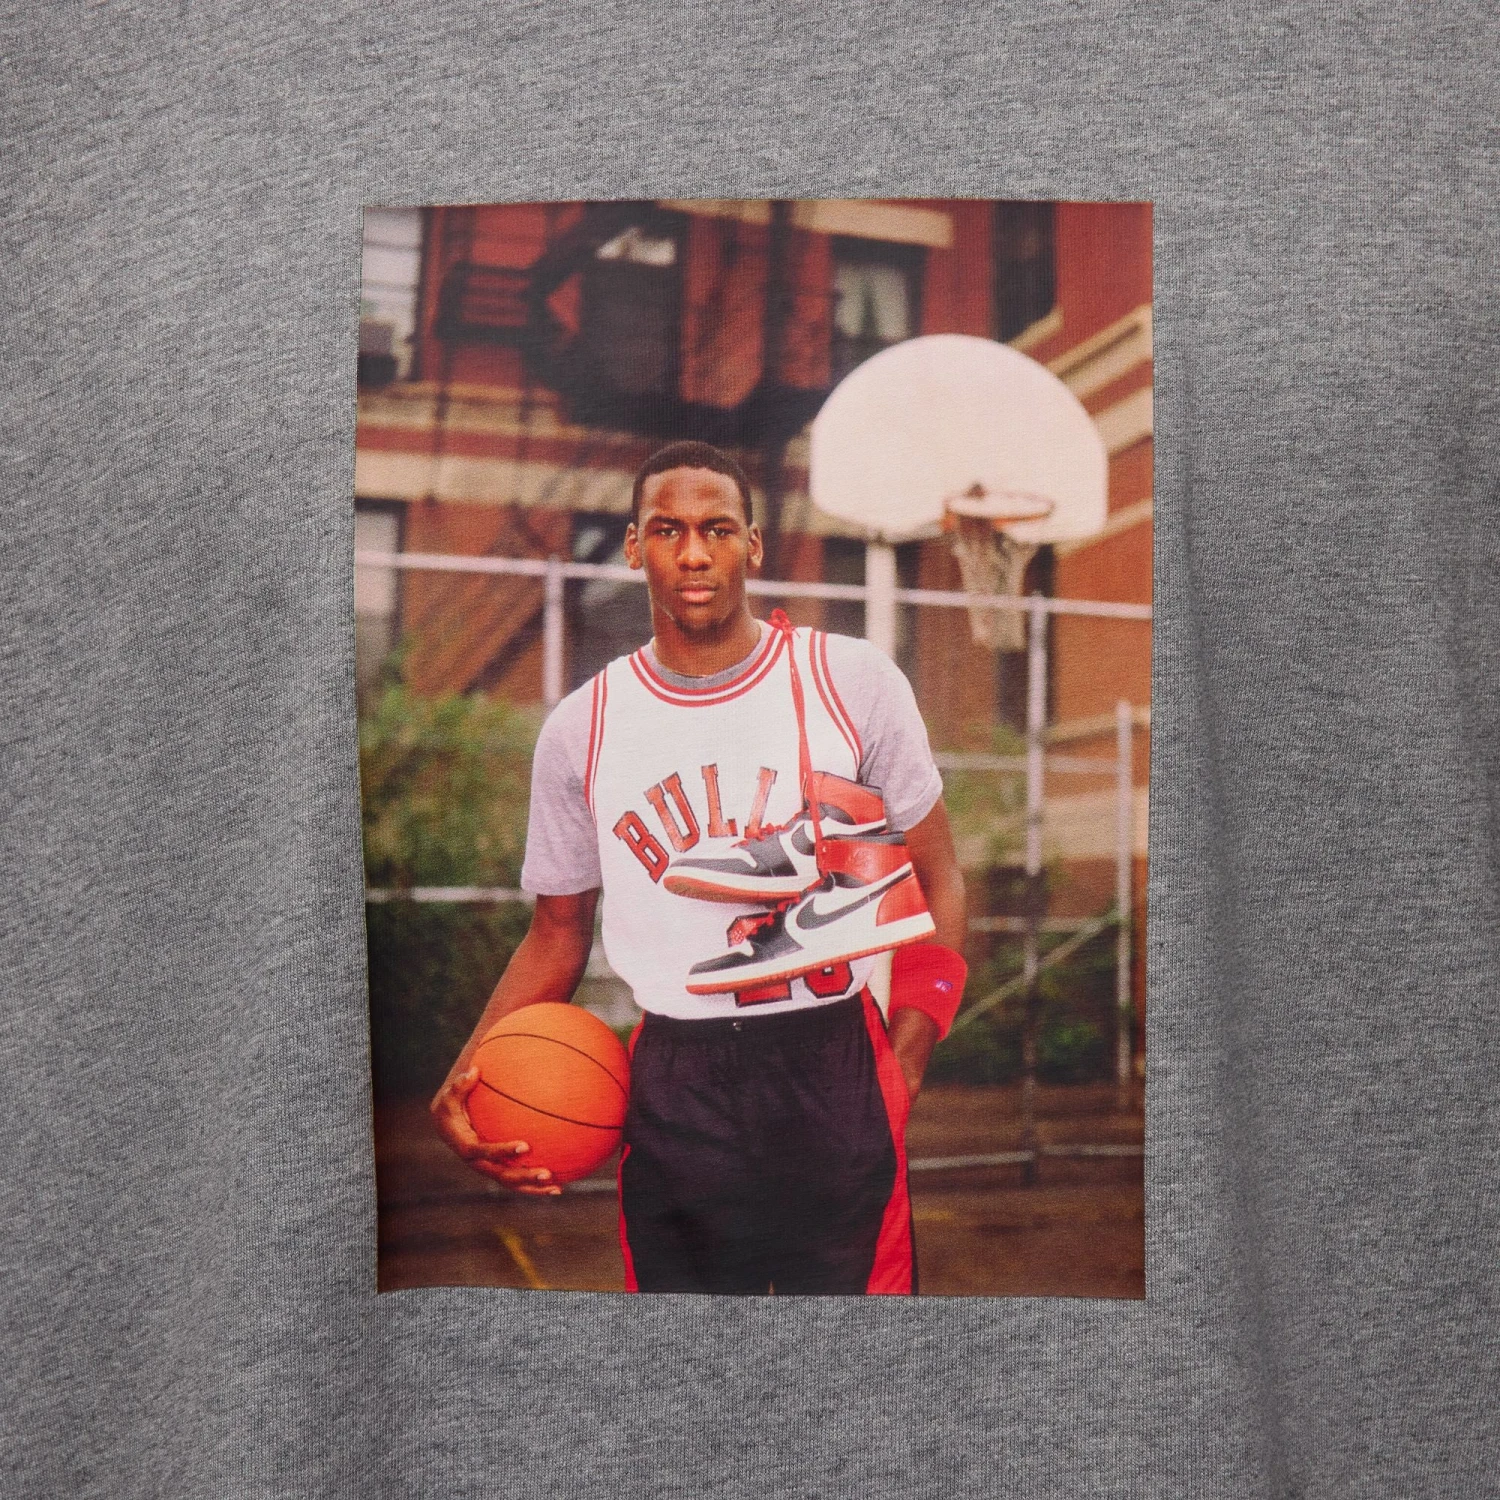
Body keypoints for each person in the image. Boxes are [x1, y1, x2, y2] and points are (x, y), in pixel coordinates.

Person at [431, 440, 968, 1294]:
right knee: (690, 1363)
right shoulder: (582, 727)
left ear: (752, 545)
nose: (692, 553)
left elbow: (939, 879)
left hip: (829, 1060)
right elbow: (557, 934)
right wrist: (467, 1072)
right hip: (676, 1079)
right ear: (634, 546)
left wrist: (907, 1059)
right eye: (667, 529)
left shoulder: (850, 681)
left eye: (716, 529)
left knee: (852, 1361)